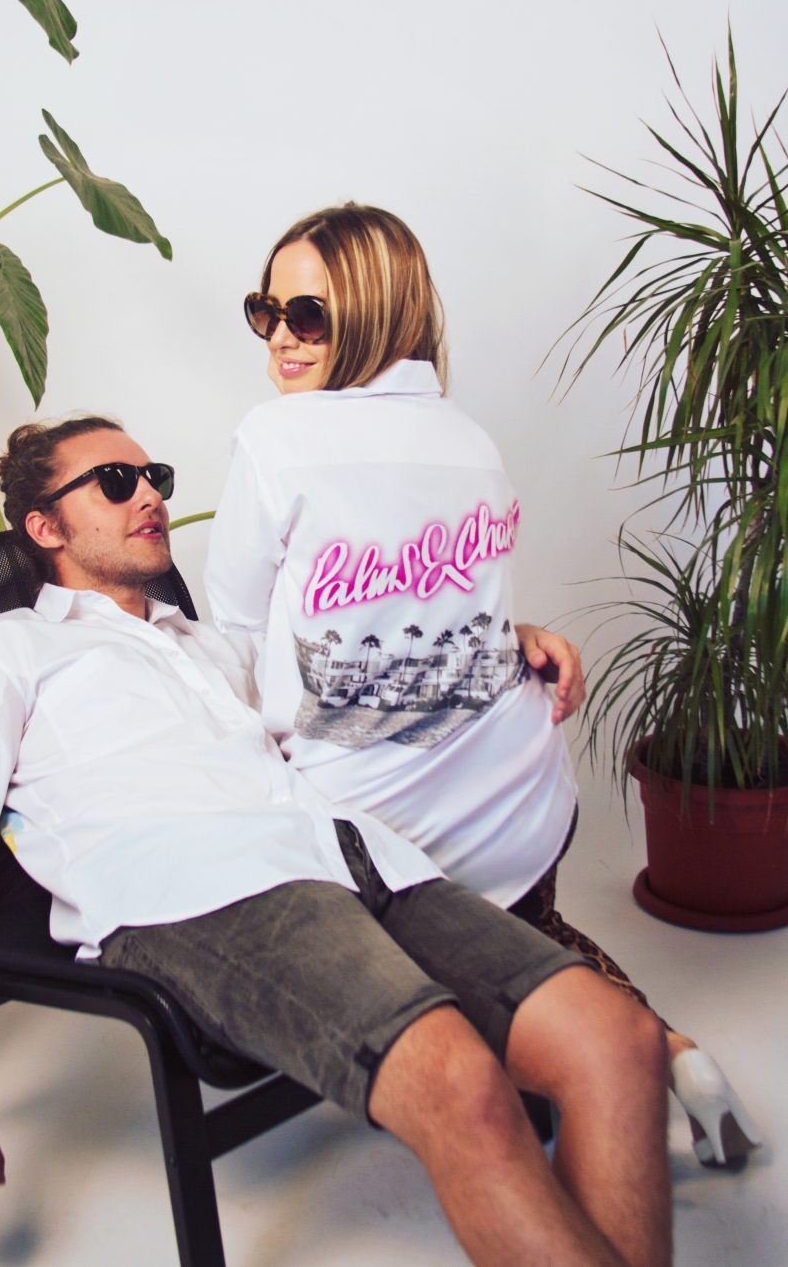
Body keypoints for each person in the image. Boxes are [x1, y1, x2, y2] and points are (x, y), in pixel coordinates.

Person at [0, 413, 672, 1267]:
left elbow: (364, 681)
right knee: (462, 1087)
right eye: (115, 483)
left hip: (360, 860)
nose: (148, 494)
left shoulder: (215, 648)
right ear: (45, 527)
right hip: (207, 896)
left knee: (620, 1046)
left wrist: (505, 642)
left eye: (153, 476)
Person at [203, 202, 761, 1170]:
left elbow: (239, 630)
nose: (281, 338)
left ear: (375, 314)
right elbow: (460, 613)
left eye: (309, 316)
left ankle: (610, 1084)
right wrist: (523, 636)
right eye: (267, 311)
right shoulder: (468, 438)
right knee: (530, 939)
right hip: (517, 792)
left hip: (381, 829)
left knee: (467, 969)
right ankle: (668, 1055)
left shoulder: (276, 436)